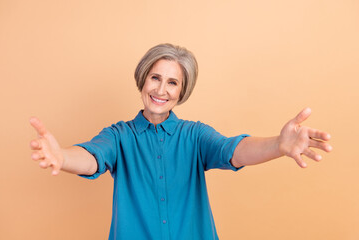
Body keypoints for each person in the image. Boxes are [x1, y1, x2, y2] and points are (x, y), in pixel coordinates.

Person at [29, 43, 332, 240]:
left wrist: (278, 145)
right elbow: (92, 156)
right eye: (155, 78)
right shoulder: (119, 135)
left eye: (172, 82)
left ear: (181, 91)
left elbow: (234, 150)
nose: (161, 89)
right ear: (143, 80)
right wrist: (63, 157)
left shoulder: (195, 135)